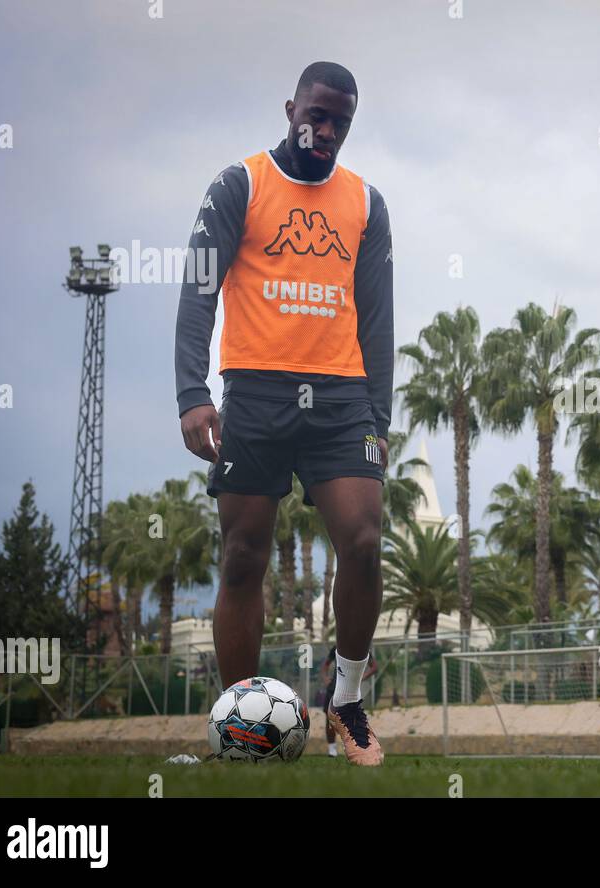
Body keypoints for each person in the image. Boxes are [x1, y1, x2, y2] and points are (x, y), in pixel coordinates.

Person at [175, 61, 392, 767]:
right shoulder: (239, 184)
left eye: (342, 123)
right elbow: (199, 288)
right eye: (318, 115)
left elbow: (379, 319)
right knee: (242, 559)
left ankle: (347, 702)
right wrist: (192, 392)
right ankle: (241, 722)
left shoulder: (365, 203)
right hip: (257, 396)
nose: (327, 131)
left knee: (362, 542)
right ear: (292, 106)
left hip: (341, 398)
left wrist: (378, 420)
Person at [320, 647, 379, 757]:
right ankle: (332, 750)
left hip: (351, 690)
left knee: (352, 719)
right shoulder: (336, 648)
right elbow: (325, 665)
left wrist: (361, 678)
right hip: (333, 688)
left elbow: (374, 667)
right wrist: (325, 678)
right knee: (329, 721)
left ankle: (358, 747)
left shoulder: (363, 649)